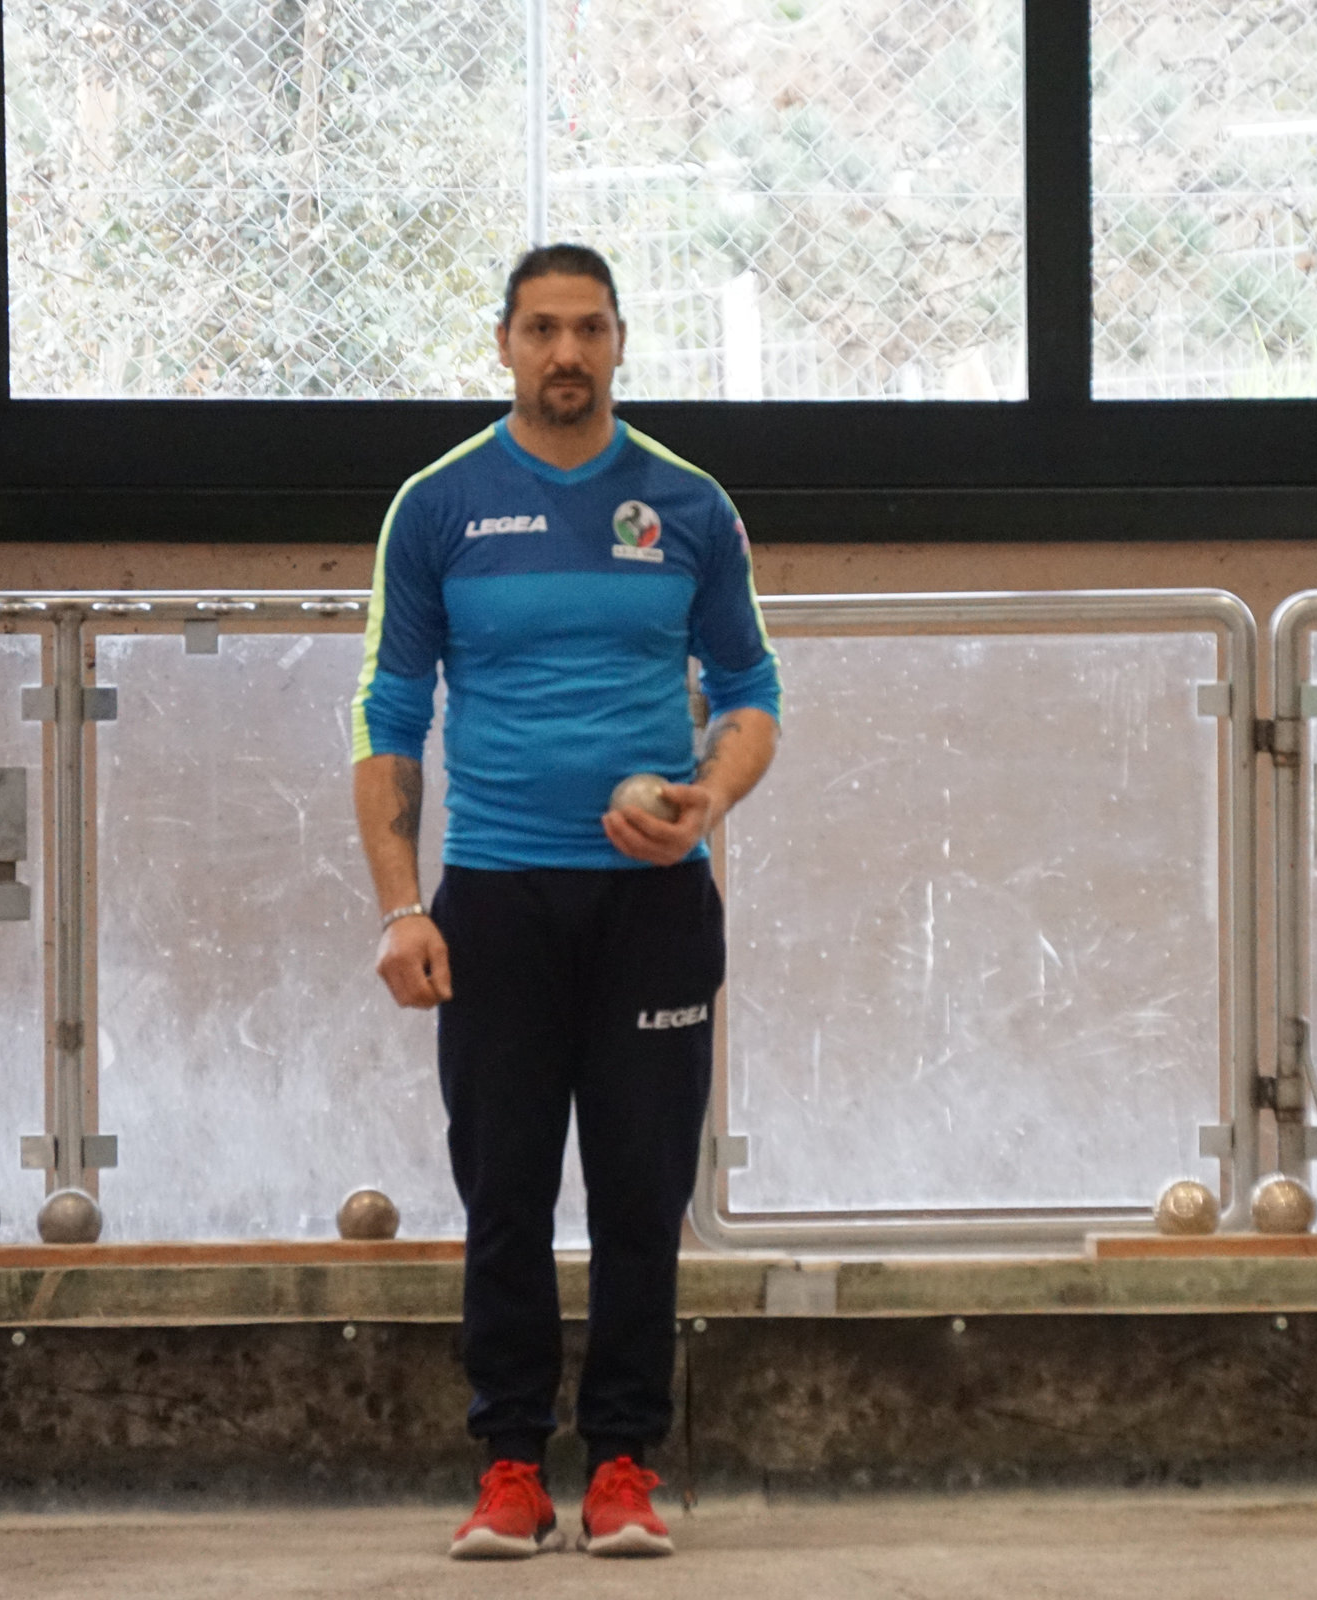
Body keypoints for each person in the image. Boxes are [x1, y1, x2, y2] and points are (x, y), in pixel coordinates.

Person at [348, 243, 780, 1560]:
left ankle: (627, 1468)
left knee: (643, 1198)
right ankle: (511, 1469)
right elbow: (389, 713)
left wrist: (706, 799)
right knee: (507, 1197)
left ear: (621, 341)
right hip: (496, 903)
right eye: (541, 329)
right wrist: (401, 908)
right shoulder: (439, 506)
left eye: (588, 328)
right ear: (504, 344)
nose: (566, 353)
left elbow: (751, 693)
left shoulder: (688, 504)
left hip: (653, 910)